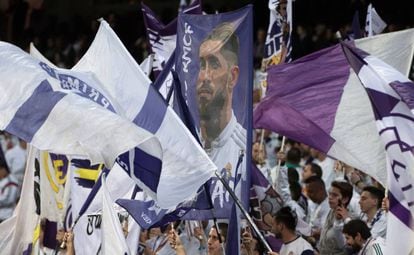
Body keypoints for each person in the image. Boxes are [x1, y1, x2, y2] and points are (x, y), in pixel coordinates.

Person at [196, 22, 247, 209]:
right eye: (201, 65)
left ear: (232, 77)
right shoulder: (188, 146)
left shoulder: (245, 148)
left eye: (214, 64)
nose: (205, 76)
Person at [318, 181, 353, 255]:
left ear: (345, 199)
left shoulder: (350, 219)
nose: (330, 197)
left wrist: (339, 222)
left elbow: (342, 245)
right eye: (330, 194)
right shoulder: (332, 211)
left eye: (334, 195)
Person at [303, 176, 329, 243]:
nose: (308, 194)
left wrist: (309, 233)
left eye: (311, 191)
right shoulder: (314, 203)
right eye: (307, 192)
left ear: (321, 189)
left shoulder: (328, 207)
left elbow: (325, 231)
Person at [0, 158, 18, 222]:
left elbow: (9, 200)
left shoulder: (11, 181)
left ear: (3, 169)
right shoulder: (2, 181)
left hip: (7, 216)